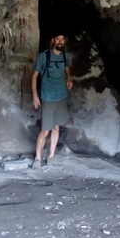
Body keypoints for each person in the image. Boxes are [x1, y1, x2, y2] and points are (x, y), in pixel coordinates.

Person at [31, 34, 73, 168]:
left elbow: (67, 68)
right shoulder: (44, 56)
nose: (60, 41)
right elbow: (34, 76)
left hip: (61, 97)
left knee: (56, 128)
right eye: (58, 39)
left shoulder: (64, 56)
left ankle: (51, 156)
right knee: (45, 130)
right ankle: (37, 158)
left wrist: (69, 78)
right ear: (53, 41)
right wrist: (35, 96)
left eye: (62, 39)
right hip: (48, 98)